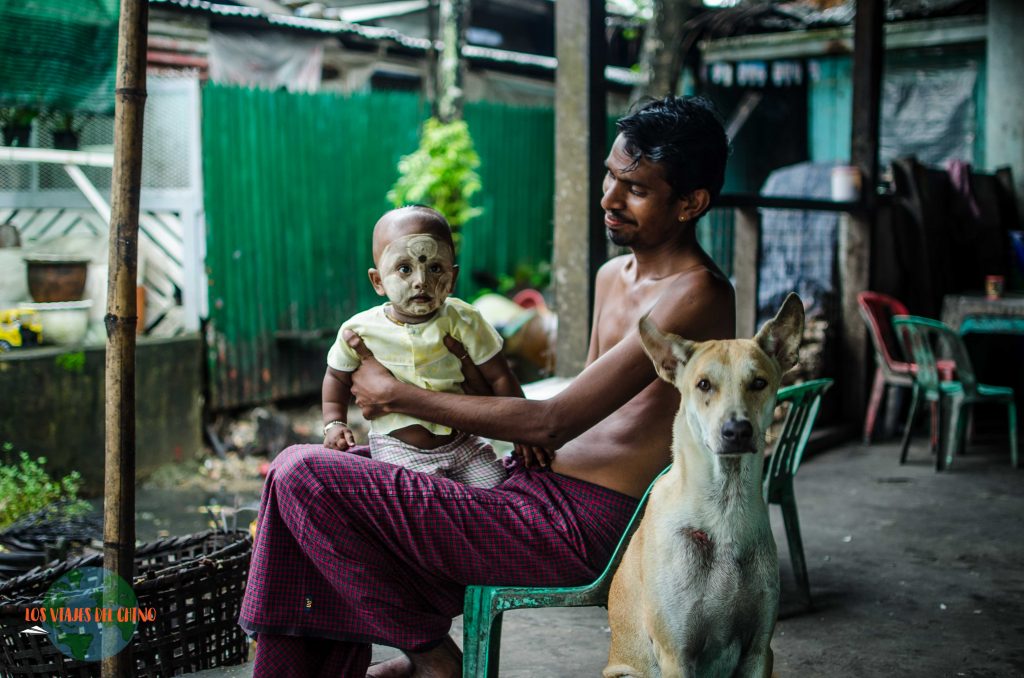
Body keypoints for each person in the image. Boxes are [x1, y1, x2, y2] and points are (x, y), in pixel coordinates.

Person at [239, 95, 735, 678]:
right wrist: (466, 385)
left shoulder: (696, 293)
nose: (608, 198)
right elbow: (573, 416)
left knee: (302, 474)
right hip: (525, 483)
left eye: (636, 188)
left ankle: (430, 655)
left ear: (690, 203)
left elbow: (555, 422)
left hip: (584, 526)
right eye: (608, 175)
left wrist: (397, 395)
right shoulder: (611, 276)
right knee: (307, 485)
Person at [321, 205, 547, 488]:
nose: (421, 281)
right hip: (400, 451)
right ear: (378, 281)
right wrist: (334, 423)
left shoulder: (465, 320)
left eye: (435, 268)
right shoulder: (360, 331)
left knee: (497, 488)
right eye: (404, 269)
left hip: (465, 442)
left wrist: (522, 432)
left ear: (451, 278)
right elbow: (336, 376)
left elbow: (501, 376)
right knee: (424, 502)